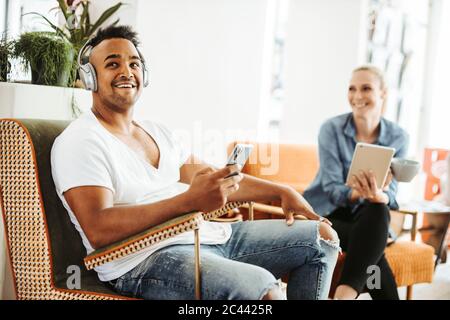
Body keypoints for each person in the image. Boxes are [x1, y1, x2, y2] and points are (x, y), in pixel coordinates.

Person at [50, 25, 339, 300]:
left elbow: (213, 180)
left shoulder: (156, 131)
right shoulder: (81, 141)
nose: (126, 71)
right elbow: (98, 229)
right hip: (144, 261)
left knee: (322, 237)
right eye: (113, 64)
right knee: (263, 292)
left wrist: (282, 193)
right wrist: (189, 202)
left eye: (134, 64)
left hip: (206, 237)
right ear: (89, 77)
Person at [303, 65, 409, 300]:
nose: (357, 96)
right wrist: (360, 193)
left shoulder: (398, 136)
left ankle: (344, 295)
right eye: (352, 89)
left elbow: (390, 195)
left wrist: (378, 196)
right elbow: (332, 190)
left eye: (366, 88)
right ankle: (347, 295)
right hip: (329, 216)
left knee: (378, 210)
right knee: (373, 247)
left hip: (367, 218)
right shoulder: (331, 129)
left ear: (383, 93)